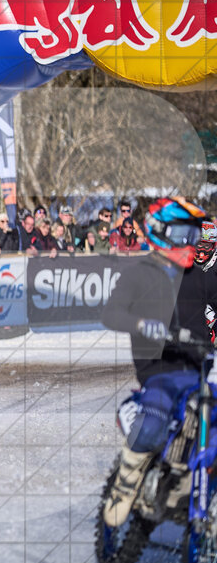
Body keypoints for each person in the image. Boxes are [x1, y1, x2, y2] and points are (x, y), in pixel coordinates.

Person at [99, 196, 216, 528]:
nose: (191, 243)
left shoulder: (198, 275)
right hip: (159, 368)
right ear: (161, 231)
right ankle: (125, 483)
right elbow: (111, 313)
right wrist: (140, 324)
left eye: (194, 235)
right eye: (184, 234)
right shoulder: (140, 274)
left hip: (198, 367)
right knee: (155, 417)